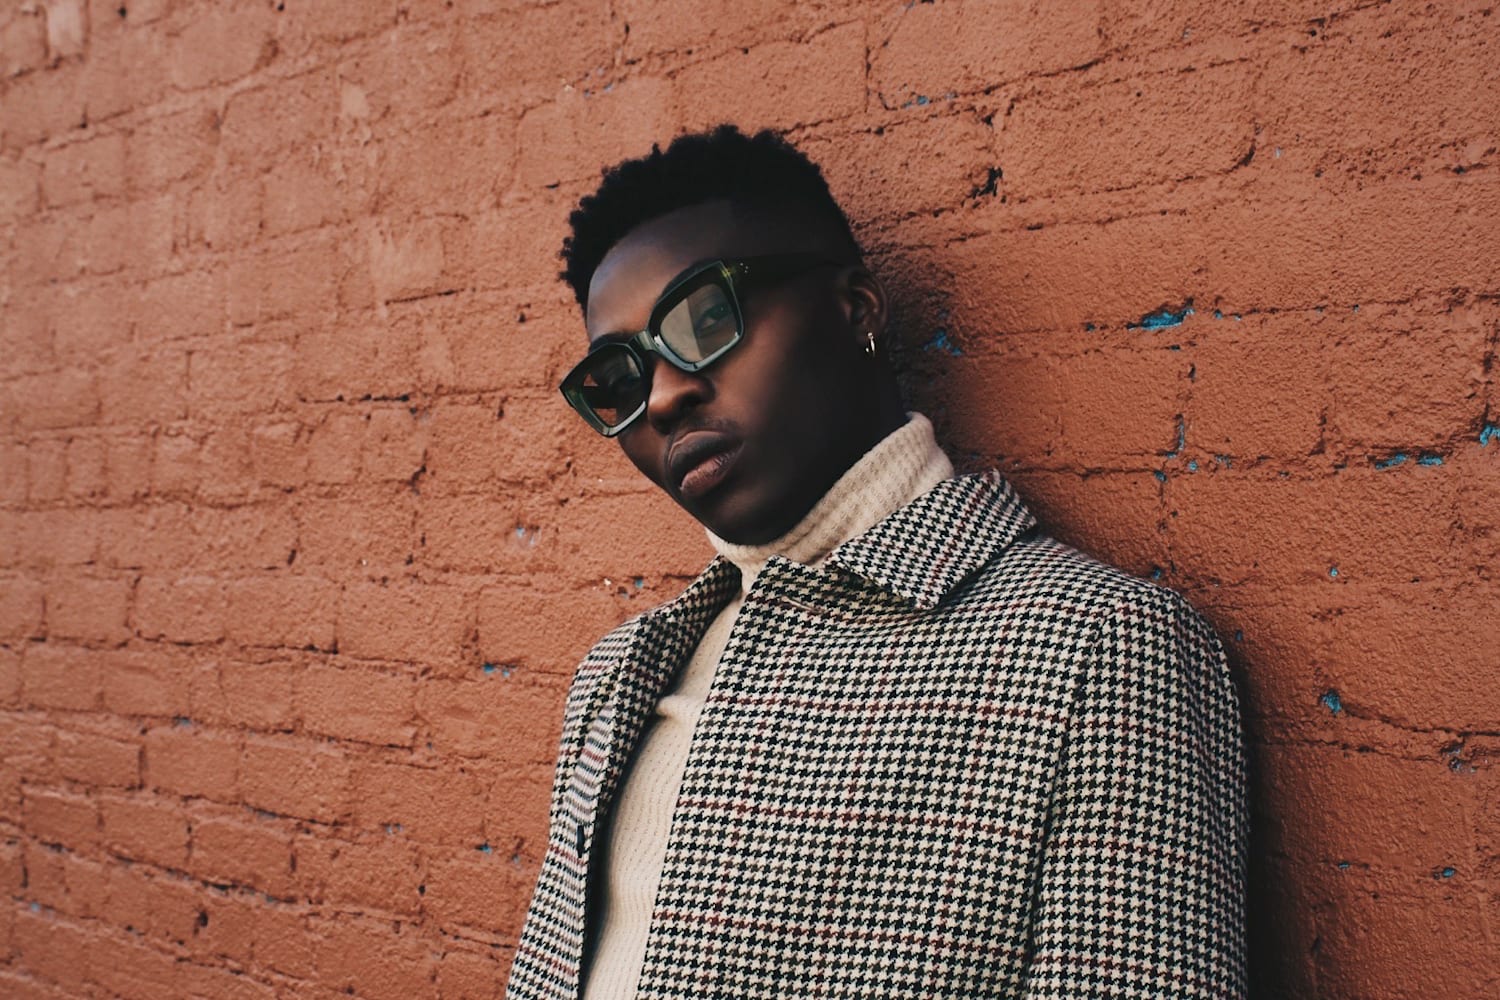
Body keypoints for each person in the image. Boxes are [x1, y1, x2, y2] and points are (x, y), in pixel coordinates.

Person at [506, 125, 1247, 1000]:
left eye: (704, 320)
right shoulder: (616, 675)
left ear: (856, 308)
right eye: (618, 379)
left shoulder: (1102, 650)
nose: (663, 396)